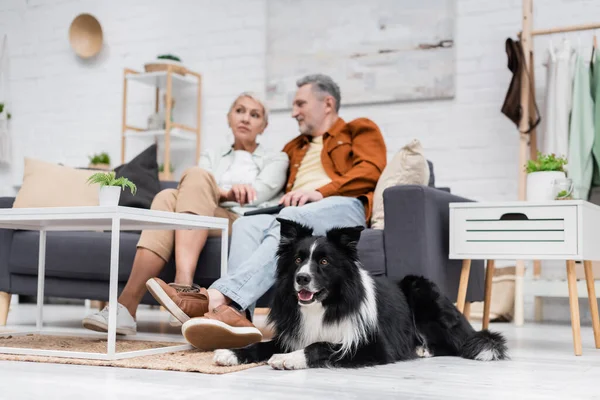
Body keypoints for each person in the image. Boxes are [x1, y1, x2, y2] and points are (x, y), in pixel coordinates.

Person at [163, 73, 388, 351]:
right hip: (293, 209)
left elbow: (370, 171)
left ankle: (220, 296)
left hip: (341, 206)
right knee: (247, 224)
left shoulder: (359, 129)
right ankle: (237, 319)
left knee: (290, 218)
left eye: (300, 104)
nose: (294, 113)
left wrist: (320, 192)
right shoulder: (293, 148)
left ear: (327, 103)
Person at [82, 92, 289, 335]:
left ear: (263, 126)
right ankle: (136, 305)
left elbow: (259, 193)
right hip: (208, 213)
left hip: (243, 220)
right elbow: (199, 188)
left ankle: (174, 289)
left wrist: (220, 192)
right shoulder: (213, 154)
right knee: (166, 196)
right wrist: (225, 192)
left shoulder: (277, 158)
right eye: (240, 111)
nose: (246, 118)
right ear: (229, 117)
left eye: (255, 115)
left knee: (190, 181)